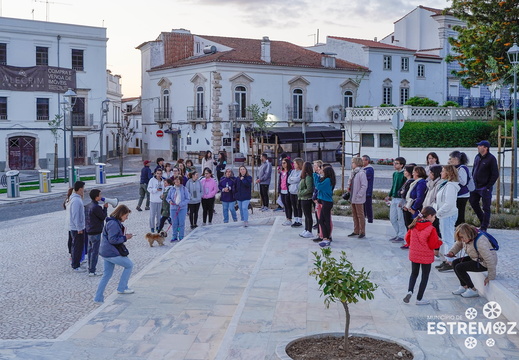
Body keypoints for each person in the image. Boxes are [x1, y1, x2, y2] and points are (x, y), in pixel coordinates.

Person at [94, 205, 134, 303]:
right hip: (111, 252)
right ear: (121, 214)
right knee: (129, 265)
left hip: (106, 252)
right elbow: (113, 240)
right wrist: (125, 238)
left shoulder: (113, 222)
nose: (127, 218)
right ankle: (122, 288)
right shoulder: (113, 224)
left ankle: (98, 298)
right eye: (126, 215)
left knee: (106, 275)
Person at [403, 206, 443, 305]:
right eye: (434, 216)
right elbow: (433, 244)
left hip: (414, 254)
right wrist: (440, 242)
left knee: (414, 274)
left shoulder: (414, 224)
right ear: (429, 216)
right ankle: (419, 299)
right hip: (426, 256)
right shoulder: (431, 228)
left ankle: (410, 291)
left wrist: (412, 245)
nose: (434, 219)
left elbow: (407, 238)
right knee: (424, 276)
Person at [448, 223, 497, 298]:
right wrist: (452, 252)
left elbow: (490, 259)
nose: (462, 240)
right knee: (455, 263)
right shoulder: (466, 237)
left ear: (467, 234)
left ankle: (473, 289)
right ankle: (464, 286)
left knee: (459, 267)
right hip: (476, 258)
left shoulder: (480, 241)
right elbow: (458, 244)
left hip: (484, 263)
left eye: (462, 237)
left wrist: (490, 276)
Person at [469, 140, 498, 231]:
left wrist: (488, 186)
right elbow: (474, 170)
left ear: (486, 148)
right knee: (473, 202)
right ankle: (483, 221)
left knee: (486, 207)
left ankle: (484, 227)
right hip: (475, 186)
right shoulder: (477, 157)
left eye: (480, 146)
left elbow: (495, 174)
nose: (478, 147)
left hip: (485, 187)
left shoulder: (491, 159)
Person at [435, 165, 460, 272]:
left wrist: (438, 212)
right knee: (445, 239)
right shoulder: (446, 184)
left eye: (443, 171)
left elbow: (449, 203)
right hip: (444, 215)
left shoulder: (450, 186)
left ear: (448, 173)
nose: (441, 173)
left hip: (448, 215)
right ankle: (447, 260)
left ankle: (450, 261)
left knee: (448, 239)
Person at [85, 189, 108, 277]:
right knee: (95, 251)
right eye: (100, 195)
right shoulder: (97, 207)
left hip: (89, 230)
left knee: (90, 250)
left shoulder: (87, 206)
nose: (101, 196)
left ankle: (90, 268)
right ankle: (92, 271)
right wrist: (105, 208)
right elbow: (102, 217)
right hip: (96, 231)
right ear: (96, 197)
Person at [314, 166, 335, 248]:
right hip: (324, 201)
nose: (321, 171)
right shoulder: (326, 179)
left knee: (323, 220)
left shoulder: (327, 180)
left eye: (323, 170)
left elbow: (318, 186)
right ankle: (326, 237)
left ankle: (326, 238)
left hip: (327, 202)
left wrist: (315, 176)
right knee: (322, 220)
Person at [449, 151, 471, 226]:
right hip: (458, 194)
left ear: (456, 159)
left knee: (460, 214)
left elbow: (463, 182)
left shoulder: (462, 169)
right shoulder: (457, 168)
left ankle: (462, 229)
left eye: (451, 158)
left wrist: (455, 176)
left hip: (462, 195)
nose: (450, 160)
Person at [388, 157, 407, 242]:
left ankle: (402, 235)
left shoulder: (404, 174)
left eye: (397, 163)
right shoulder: (395, 174)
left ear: (402, 165)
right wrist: (390, 195)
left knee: (400, 218)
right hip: (394, 198)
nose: (394, 165)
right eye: (394, 163)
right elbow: (393, 185)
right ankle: (398, 233)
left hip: (400, 199)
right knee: (392, 218)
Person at [166, 175, 191, 241]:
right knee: (174, 223)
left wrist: (181, 204)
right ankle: (174, 236)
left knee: (181, 223)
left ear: (180, 181)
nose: (177, 181)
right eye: (175, 179)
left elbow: (188, 198)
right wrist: (170, 201)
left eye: (178, 180)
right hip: (173, 208)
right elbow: (167, 197)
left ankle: (181, 236)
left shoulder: (184, 189)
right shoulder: (171, 189)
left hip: (182, 209)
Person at [348, 157, 368, 238]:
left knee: (360, 214)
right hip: (352, 196)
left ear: (357, 163)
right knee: (354, 214)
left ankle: (362, 231)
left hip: (358, 198)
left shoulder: (361, 173)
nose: (352, 164)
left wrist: (359, 195)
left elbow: (364, 185)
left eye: (353, 162)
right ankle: (356, 230)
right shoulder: (353, 172)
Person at [69, 181, 86, 273]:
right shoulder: (76, 200)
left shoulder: (77, 199)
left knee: (77, 246)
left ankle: (76, 263)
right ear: (80, 189)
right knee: (77, 247)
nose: (84, 190)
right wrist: (79, 228)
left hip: (78, 227)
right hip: (77, 229)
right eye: (83, 188)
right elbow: (75, 215)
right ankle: (76, 265)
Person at [298, 161, 315, 238]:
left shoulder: (308, 177)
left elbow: (309, 189)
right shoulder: (304, 177)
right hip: (303, 198)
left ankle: (309, 230)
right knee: (305, 215)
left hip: (307, 198)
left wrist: (301, 193)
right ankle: (306, 229)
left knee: (308, 215)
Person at [147, 168, 164, 233]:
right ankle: (152, 227)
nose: (159, 175)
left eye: (160, 174)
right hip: (153, 200)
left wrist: (163, 194)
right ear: (155, 173)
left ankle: (158, 226)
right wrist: (156, 189)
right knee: (152, 215)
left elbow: (164, 189)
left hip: (160, 200)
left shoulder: (163, 181)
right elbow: (149, 189)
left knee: (159, 215)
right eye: (157, 173)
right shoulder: (152, 180)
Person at [288, 158, 303, 227]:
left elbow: (298, 179)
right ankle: (296, 219)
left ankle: (299, 220)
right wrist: (293, 179)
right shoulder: (293, 171)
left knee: (298, 206)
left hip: (297, 191)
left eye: (295, 163)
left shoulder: (301, 171)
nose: (294, 165)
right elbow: (289, 180)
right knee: (294, 206)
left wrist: (292, 179)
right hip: (292, 191)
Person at [279, 157, 293, 226]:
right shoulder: (282, 172)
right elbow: (280, 181)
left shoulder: (290, 172)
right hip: (282, 190)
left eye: (284, 163)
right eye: (282, 163)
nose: (283, 164)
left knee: (288, 205)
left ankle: (289, 218)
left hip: (287, 190)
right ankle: (287, 218)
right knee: (285, 205)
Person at [362, 155, 374, 223]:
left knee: (368, 206)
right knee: (363, 206)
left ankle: (370, 219)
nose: (362, 161)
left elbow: (365, 177)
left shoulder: (369, 169)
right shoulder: (363, 168)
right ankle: (363, 218)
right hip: (363, 191)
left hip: (367, 191)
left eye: (363, 160)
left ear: (367, 161)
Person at [63, 187, 74, 257]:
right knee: (73, 238)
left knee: (70, 237)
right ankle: (72, 253)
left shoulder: (67, 201)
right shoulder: (72, 201)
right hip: (72, 222)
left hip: (68, 222)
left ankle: (71, 251)